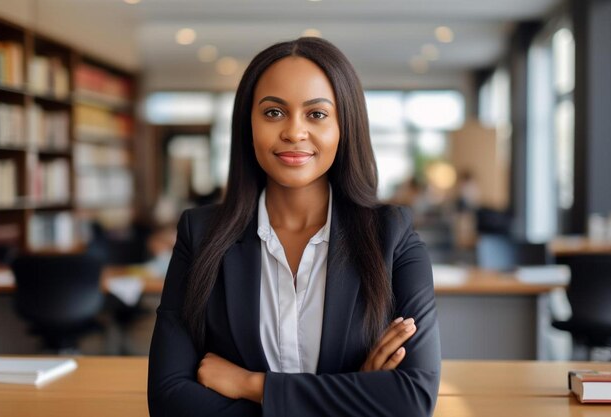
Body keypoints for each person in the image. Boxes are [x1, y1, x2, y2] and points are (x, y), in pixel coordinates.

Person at [147, 37, 441, 417]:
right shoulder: (200, 235)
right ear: (248, 124)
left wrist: (251, 385)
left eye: (316, 114)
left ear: (343, 125)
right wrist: (353, 396)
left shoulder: (392, 236)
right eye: (273, 113)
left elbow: (412, 400)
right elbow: (169, 400)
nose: (294, 132)